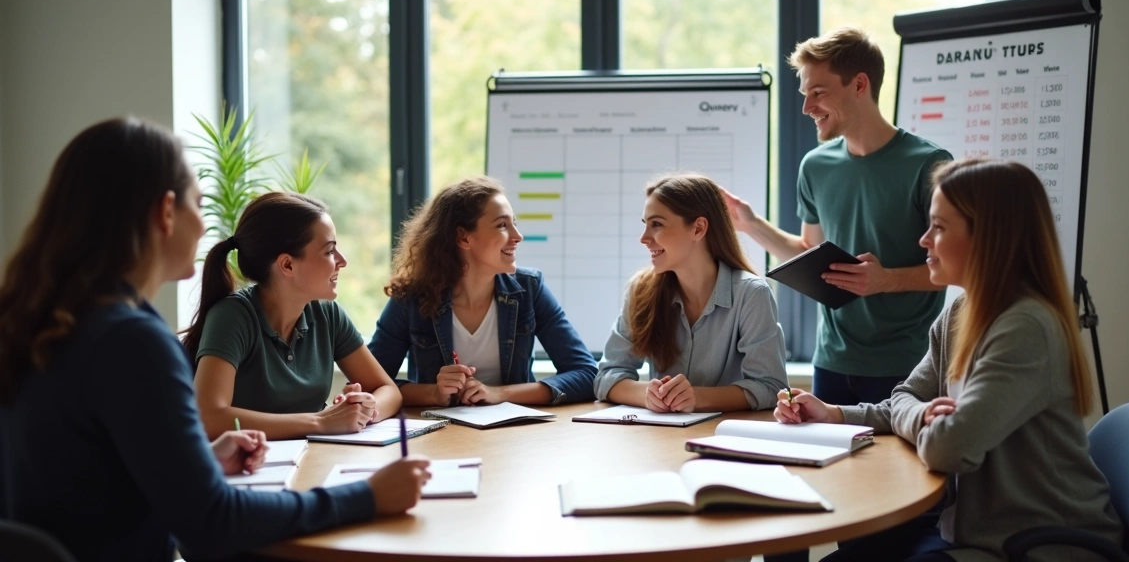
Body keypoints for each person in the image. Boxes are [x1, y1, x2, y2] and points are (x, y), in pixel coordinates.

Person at [0, 117, 430, 562]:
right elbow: (214, 523)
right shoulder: (131, 341)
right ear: (165, 212)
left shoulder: (44, 320)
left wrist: (197, 459)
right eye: (198, 204)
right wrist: (366, 496)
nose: (206, 227)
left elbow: (89, 475)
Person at [774, 158, 1121, 562]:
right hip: (970, 529)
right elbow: (903, 396)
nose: (923, 239)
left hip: (1035, 545)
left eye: (938, 227)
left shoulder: (1025, 327)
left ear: (989, 236)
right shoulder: (962, 311)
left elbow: (948, 449)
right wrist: (836, 413)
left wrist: (922, 419)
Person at [721, 26, 953, 406]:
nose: (806, 108)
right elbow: (809, 250)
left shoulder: (930, 165)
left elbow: (956, 266)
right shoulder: (815, 166)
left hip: (908, 366)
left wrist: (885, 281)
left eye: (818, 93)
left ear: (859, 84)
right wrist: (749, 224)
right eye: (804, 94)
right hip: (830, 362)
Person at [186, 192, 403, 440]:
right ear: (288, 265)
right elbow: (209, 417)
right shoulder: (232, 316)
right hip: (251, 469)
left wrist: (363, 409)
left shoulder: (327, 314)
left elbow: (388, 391)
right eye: (330, 251)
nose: (342, 261)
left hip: (313, 460)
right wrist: (321, 421)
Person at [369, 176, 597, 407]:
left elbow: (587, 374)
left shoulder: (530, 289)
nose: (518, 236)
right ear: (463, 237)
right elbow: (370, 383)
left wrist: (499, 393)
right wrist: (434, 394)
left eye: (514, 223)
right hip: (439, 437)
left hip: (513, 434)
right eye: (502, 225)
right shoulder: (411, 298)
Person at [595, 174, 787, 412]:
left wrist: (696, 397)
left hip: (725, 437)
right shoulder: (640, 291)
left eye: (656, 224)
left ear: (698, 228)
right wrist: (648, 395)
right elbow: (606, 377)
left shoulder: (752, 294)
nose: (644, 238)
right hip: (659, 438)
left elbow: (771, 387)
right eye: (645, 224)